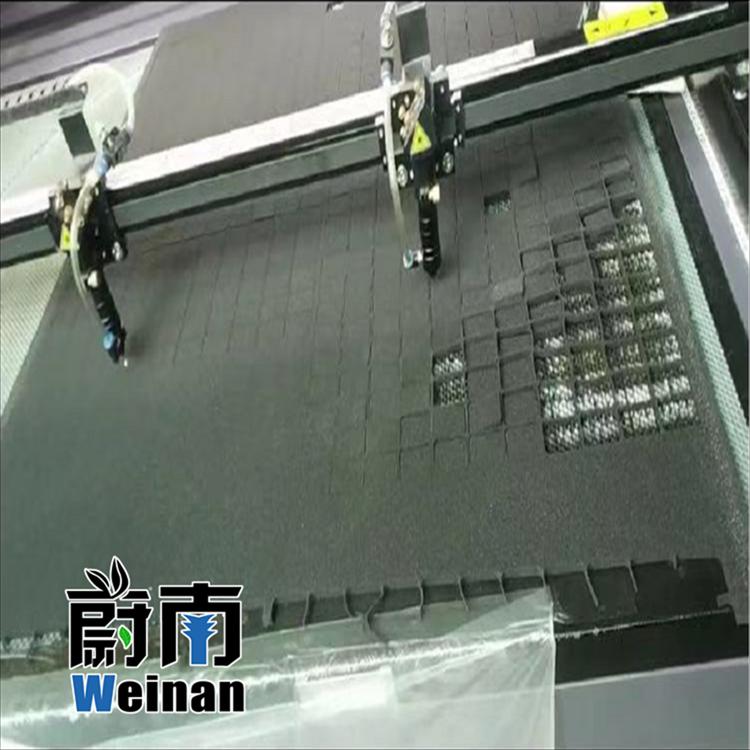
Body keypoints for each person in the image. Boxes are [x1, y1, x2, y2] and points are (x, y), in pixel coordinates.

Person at [48, 182, 128, 364]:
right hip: (88, 267)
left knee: (102, 301)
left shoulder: (73, 230)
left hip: (88, 265)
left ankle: (116, 334)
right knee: (101, 300)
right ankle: (115, 334)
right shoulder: (70, 233)